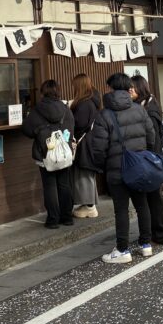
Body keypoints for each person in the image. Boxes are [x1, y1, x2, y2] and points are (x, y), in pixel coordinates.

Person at [90, 73, 157, 264]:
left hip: (116, 170)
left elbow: (98, 147)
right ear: (128, 89)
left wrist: (101, 165)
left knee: (121, 210)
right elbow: (151, 136)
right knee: (142, 204)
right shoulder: (139, 110)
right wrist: (145, 155)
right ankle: (146, 245)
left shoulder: (104, 115)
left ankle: (122, 249)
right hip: (139, 167)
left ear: (110, 89)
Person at [22, 80, 74, 228]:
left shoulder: (37, 110)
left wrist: (40, 133)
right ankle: (67, 218)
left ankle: (53, 220)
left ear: (43, 92)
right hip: (64, 153)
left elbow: (26, 129)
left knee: (49, 185)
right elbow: (71, 128)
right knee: (64, 184)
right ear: (58, 91)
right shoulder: (65, 109)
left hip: (45, 153)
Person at [131, 75, 163, 245]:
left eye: (132, 88)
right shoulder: (144, 106)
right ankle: (156, 232)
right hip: (148, 160)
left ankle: (161, 234)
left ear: (140, 88)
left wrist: (149, 162)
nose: (129, 91)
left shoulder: (150, 110)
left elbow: (154, 140)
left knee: (154, 198)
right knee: (152, 198)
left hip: (151, 160)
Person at [69, 74, 102, 218]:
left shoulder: (84, 103)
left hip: (84, 144)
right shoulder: (93, 100)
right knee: (87, 174)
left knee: (84, 174)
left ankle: (89, 206)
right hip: (91, 142)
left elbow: (79, 124)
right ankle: (89, 204)